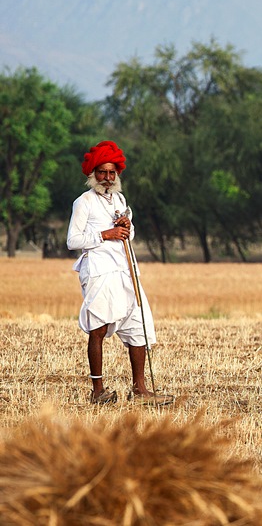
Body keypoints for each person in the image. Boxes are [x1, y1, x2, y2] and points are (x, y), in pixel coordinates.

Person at [67, 140, 173, 405]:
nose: (107, 177)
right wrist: (106, 234)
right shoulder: (83, 202)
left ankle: (140, 390)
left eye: (111, 172)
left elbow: (129, 234)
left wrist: (126, 225)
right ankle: (98, 391)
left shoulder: (120, 200)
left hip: (126, 269)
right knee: (99, 327)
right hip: (99, 271)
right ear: (93, 174)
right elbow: (73, 240)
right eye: (102, 172)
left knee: (138, 325)